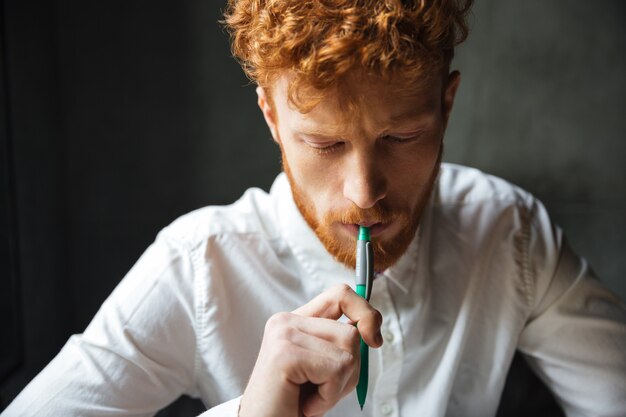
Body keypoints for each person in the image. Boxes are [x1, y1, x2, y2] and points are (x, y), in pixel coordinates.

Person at [4, 1, 626, 416]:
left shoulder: (511, 235)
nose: (363, 194)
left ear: (447, 105)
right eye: (325, 144)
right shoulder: (199, 267)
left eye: (402, 137)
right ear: (272, 118)